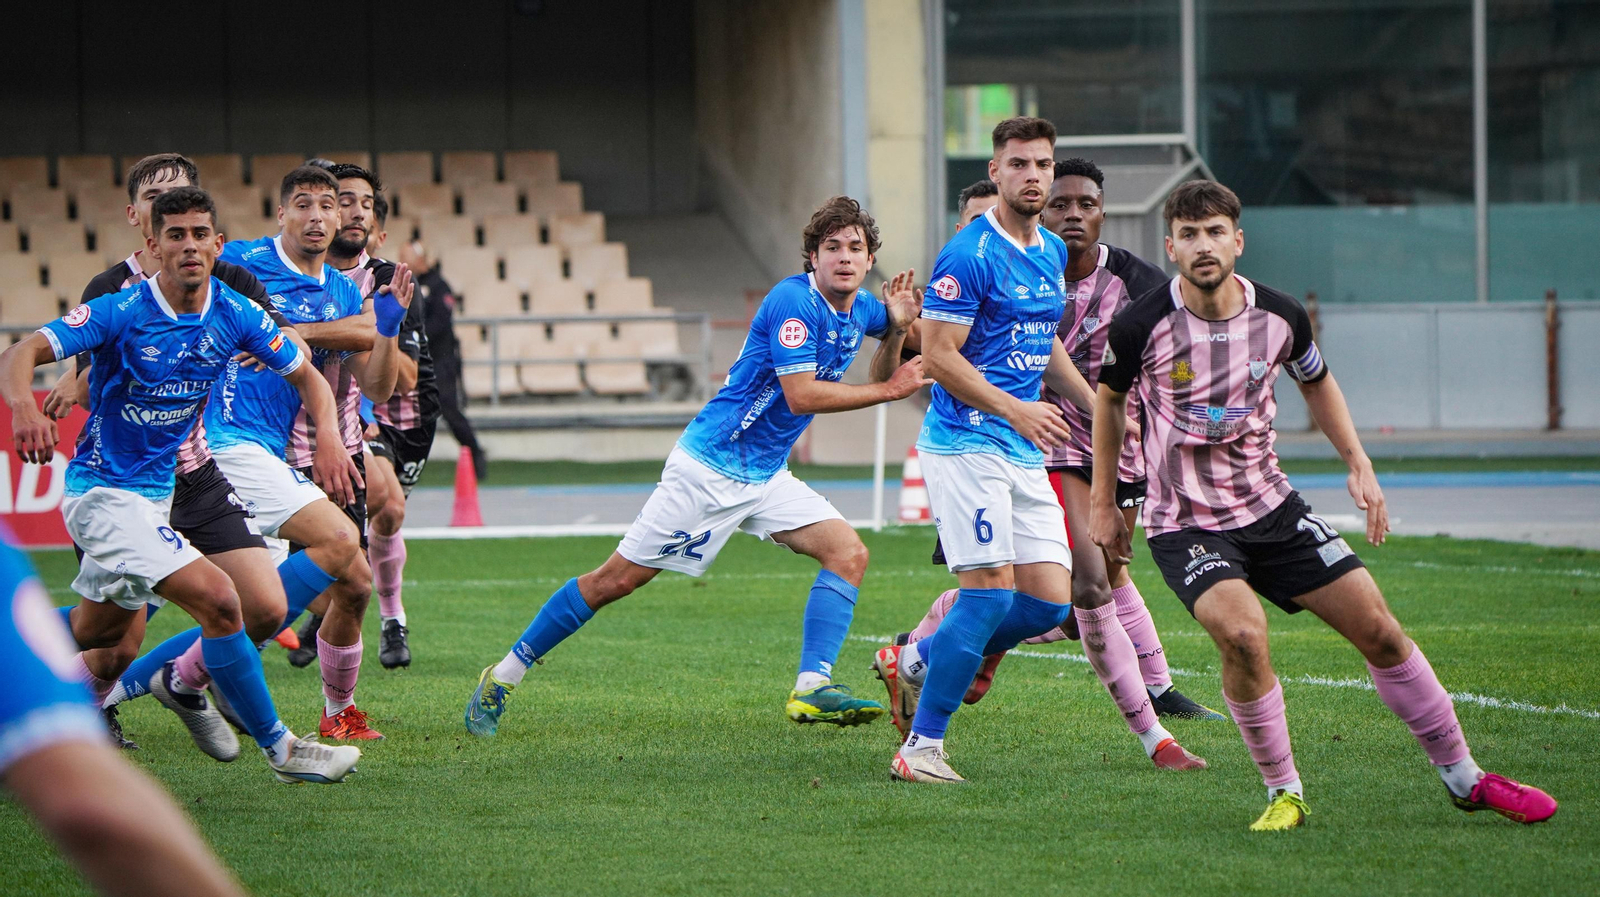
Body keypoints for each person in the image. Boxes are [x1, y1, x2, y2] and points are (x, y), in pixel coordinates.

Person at [1089, 179, 1557, 830]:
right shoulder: (1140, 324)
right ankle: (1284, 791)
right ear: (1171, 247)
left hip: (1273, 507)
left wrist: (1358, 462)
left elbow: (1317, 380)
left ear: (1238, 240)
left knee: (1381, 631)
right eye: (1189, 234)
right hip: (1187, 523)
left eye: (1216, 231)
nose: (1204, 245)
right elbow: (1110, 401)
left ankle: (1465, 778)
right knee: (1243, 636)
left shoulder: (1280, 315)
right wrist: (1105, 501)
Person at [464, 196, 929, 736]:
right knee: (616, 581)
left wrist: (898, 328)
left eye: (855, 247)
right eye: (832, 247)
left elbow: (894, 364)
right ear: (812, 257)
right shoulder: (792, 302)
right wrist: (887, 390)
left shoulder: (865, 308)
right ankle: (503, 675)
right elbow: (803, 395)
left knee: (848, 554)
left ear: (870, 260)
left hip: (765, 475)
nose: (844, 257)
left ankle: (811, 687)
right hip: (710, 468)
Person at [877, 117, 1205, 785]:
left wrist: (1096, 405)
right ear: (995, 172)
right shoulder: (969, 253)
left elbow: (1042, 340)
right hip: (966, 445)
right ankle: (920, 748)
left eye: (1043, 164)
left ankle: (913, 659)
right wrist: (1017, 407)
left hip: (1021, 448)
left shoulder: (1049, 250)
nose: (1033, 175)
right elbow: (938, 355)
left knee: (1048, 604)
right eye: (1019, 163)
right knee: (988, 596)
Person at [0, 186, 361, 785]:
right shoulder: (121, 310)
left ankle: (45, 653)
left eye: (200, 235)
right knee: (219, 600)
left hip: (173, 487)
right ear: (153, 246)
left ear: (218, 245)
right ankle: (283, 750)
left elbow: (307, 375)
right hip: (106, 493)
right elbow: (22, 350)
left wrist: (327, 434)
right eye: (175, 235)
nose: (189, 246)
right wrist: (23, 408)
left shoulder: (236, 311)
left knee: (110, 633)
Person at [208, 165, 414, 742]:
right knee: (225, 600)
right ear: (281, 214)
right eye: (305, 204)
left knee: (352, 587)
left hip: (319, 454)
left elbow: (378, 388)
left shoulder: (346, 291)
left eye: (329, 205)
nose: (320, 216)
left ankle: (335, 710)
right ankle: (192, 671)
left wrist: (385, 329)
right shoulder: (243, 262)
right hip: (240, 448)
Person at [0, 529, 250, 897]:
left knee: (113, 642)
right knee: (239, 603)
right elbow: (84, 804)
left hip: (160, 504)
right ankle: (277, 741)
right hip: (121, 506)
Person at [357, 195, 438, 668]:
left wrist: (372, 330)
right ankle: (389, 618)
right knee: (381, 508)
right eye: (343, 204)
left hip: (401, 419)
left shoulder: (391, 282)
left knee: (386, 514)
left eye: (363, 208)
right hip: (337, 420)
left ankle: (372, 612)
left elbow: (405, 378)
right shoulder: (308, 280)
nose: (352, 216)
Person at [404, 240, 485, 481]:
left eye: (408, 257)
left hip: (440, 360)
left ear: (421, 259)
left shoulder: (438, 285)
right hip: (414, 359)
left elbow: (441, 322)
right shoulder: (406, 284)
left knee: (449, 409)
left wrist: (415, 336)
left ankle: (474, 452)